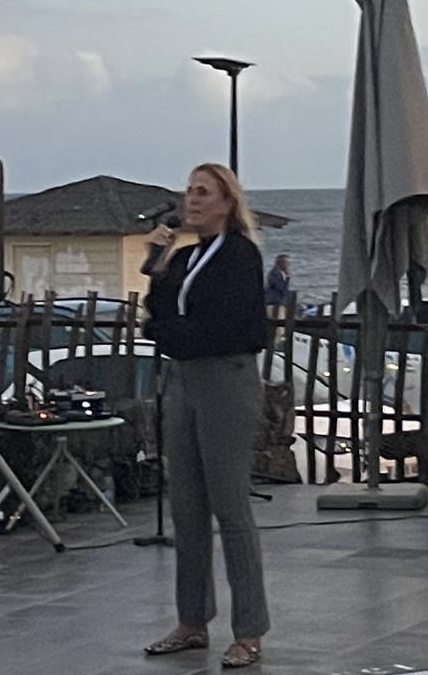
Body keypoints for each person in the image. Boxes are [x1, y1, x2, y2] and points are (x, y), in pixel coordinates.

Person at [141, 162, 270, 668]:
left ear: (226, 202)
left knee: (230, 506)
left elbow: (219, 327)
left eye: (203, 192)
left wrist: (167, 332)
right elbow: (158, 313)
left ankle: (249, 629)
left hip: (225, 380)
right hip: (184, 379)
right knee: (187, 506)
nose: (191, 200)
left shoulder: (239, 256)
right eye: (189, 191)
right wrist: (156, 263)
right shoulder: (185, 256)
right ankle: (191, 620)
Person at [264, 253, 290, 320]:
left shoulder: (282, 273)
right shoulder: (274, 273)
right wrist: (287, 278)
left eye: (288, 263)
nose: (288, 265)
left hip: (279, 301)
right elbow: (280, 287)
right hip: (273, 302)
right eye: (286, 263)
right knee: (277, 320)